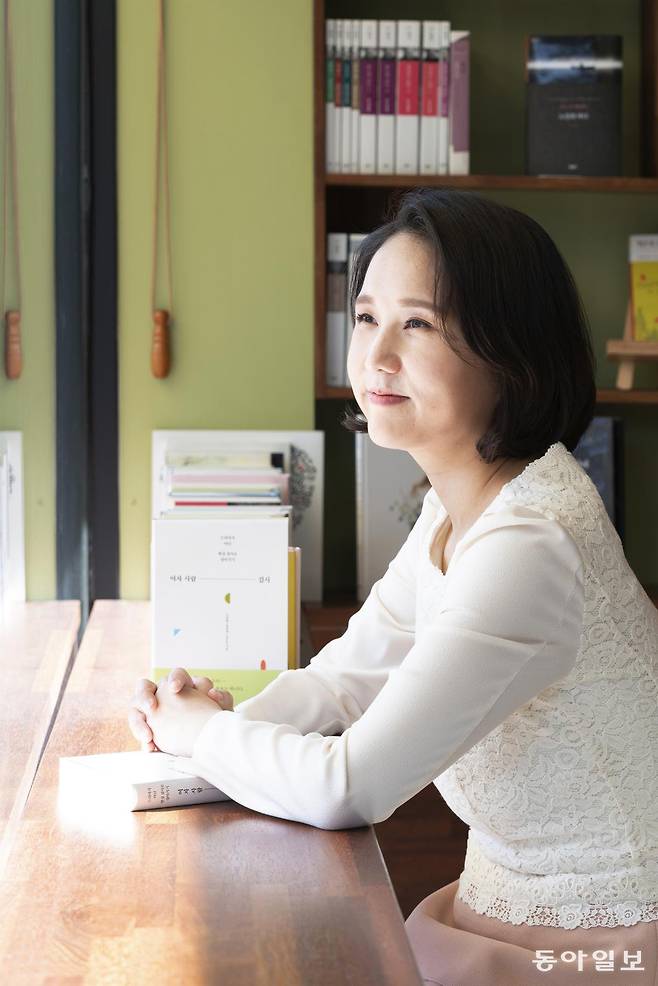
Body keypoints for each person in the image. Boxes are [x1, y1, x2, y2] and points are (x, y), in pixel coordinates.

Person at [129, 189, 658, 985]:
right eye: (368, 316)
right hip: (504, 907)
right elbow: (347, 682)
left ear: (510, 348)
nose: (376, 356)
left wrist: (204, 736)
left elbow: (354, 787)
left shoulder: (530, 543)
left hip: (601, 942)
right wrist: (197, 725)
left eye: (417, 324)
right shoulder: (459, 508)